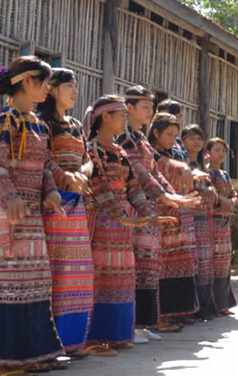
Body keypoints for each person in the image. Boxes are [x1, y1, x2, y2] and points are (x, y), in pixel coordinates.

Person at [0, 57, 67, 374]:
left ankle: (31, 354)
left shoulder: (38, 124)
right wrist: (9, 196)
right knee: (9, 281)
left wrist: (52, 192)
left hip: (31, 214)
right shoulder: (7, 120)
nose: (48, 89)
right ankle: (1, 360)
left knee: (34, 281)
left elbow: (44, 166)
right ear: (28, 82)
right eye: (44, 82)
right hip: (11, 214)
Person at [83, 95, 161, 356]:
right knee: (102, 277)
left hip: (121, 226)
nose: (125, 120)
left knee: (123, 277)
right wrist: (120, 215)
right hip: (101, 223)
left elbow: (134, 187)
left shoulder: (120, 152)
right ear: (105, 117)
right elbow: (99, 186)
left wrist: (149, 213)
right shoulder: (92, 150)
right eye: (121, 115)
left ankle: (118, 334)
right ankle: (96, 337)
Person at [119, 86, 195, 338]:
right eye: (145, 106)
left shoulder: (140, 139)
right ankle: (130, 325)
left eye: (152, 106)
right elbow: (138, 172)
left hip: (147, 206)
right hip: (130, 206)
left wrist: (173, 196)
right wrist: (167, 196)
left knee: (148, 265)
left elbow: (154, 172)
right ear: (129, 108)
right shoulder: (123, 138)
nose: (150, 111)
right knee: (133, 266)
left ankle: (142, 323)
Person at [35, 67, 95, 358]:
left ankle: (73, 342)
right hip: (52, 204)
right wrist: (66, 177)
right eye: (69, 86)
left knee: (77, 273)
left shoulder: (75, 124)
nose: (75, 91)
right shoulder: (42, 123)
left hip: (76, 202)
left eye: (76, 86)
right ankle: (52, 342)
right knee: (56, 272)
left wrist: (82, 173)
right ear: (52, 88)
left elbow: (88, 158)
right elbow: (43, 159)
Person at [148, 113, 200, 322]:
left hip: (176, 213)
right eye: (168, 134)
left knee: (180, 261)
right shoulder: (151, 153)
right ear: (156, 133)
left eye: (174, 135)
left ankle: (175, 313)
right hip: (159, 216)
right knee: (161, 265)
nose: (172, 139)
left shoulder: (173, 153)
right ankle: (161, 316)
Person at [182, 124, 220, 318]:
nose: (196, 142)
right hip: (187, 216)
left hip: (203, 218)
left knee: (204, 262)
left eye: (199, 138)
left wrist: (210, 190)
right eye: (191, 138)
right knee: (191, 262)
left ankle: (204, 307)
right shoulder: (181, 164)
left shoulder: (203, 167)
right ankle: (191, 308)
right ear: (183, 142)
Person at [207, 137, 238, 314]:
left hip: (224, 223)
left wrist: (232, 201)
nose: (221, 153)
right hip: (212, 222)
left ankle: (223, 304)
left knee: (224, 262)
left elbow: (234, 193)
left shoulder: (225, 174)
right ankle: (212, 304)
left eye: (223, 150)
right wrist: (223, 200)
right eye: (217, 150)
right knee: (211, 262)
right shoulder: (207, 174)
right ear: (208, 153)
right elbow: (210, 194)